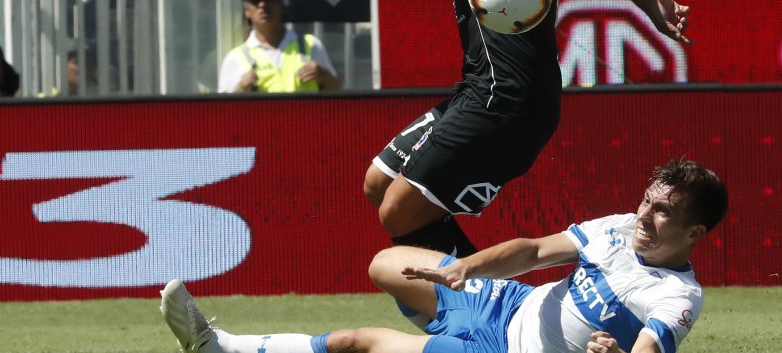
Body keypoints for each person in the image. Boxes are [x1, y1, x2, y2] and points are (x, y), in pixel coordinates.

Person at [321, 0, 692, 256]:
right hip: (488, 92)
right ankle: (467, 300)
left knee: (398, 213)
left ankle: (489, 309)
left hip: (503, 104)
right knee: (380, 182)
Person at [160, 159, 728, 353]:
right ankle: (444, 328)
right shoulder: (621, 226)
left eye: (662, 214)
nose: (644, 218)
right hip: (507, 303)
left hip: (505, 349)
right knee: (385, 264)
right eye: (647, 201)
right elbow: (532, 251)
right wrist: (465, 268)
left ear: (695, 232)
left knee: (356, 342)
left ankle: (219, 346)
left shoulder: (677, 295)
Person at [218, 0, 341, 93]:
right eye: (256, 1)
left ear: (281, 5)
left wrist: (324, 75)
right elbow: (222, 110)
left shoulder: (311, 45)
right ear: (247, 12)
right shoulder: (235, 58)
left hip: (304, 117)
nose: (262, 5)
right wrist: (241, 87)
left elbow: (336, 91)